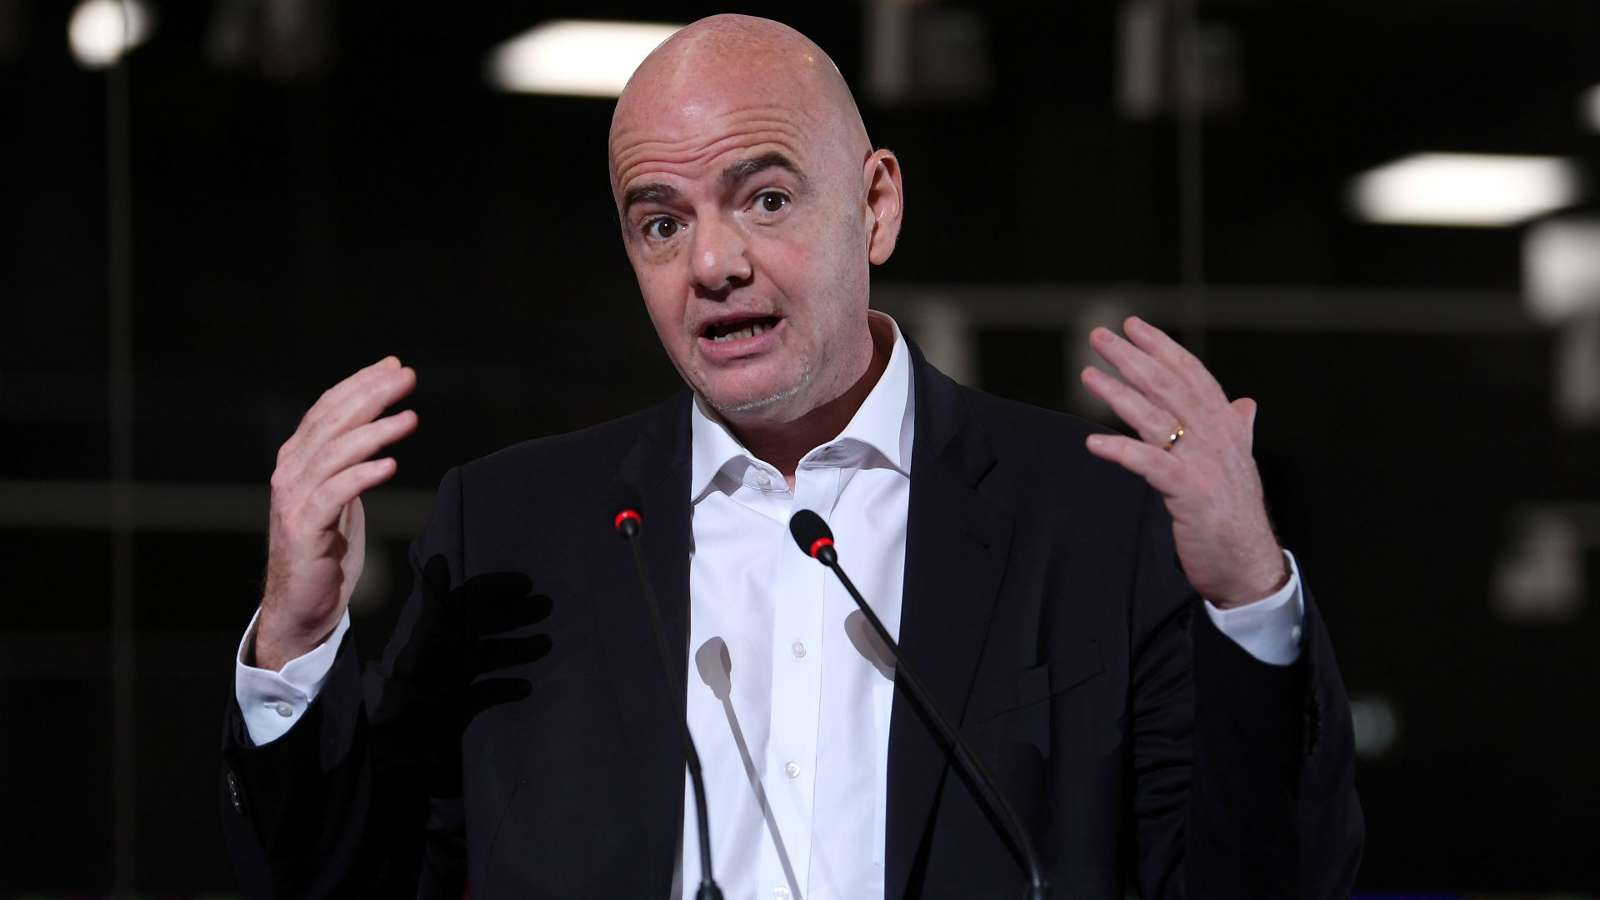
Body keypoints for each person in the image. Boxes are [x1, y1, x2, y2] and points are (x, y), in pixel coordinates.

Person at [221, 14, 1362, 899]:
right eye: (660, 222)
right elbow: (351, 884)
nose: (712, 263)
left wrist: (1248, 597)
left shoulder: (1093, 516)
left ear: (876, 207)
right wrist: (297, 639)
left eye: (764, 198)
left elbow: (1260, 882)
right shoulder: (516, 531)